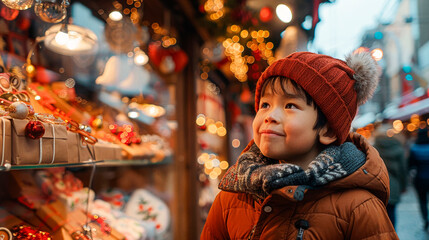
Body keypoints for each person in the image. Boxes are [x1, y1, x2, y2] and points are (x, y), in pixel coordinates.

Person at [201, 51, 398, 239]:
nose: (270, 116)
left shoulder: (358, 208)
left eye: (290, 106)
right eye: (265, 105)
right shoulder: (232, 197)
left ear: (327, 130)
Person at [373, 124, 407, 229]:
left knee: (379, 215)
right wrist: (403, 186)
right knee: (392, 213)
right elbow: (403, 170)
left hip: (377, 185)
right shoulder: (398, 148)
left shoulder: (373, 148)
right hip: (394, 185)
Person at [409, 127, 429, 230]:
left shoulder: (414, 148)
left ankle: (425, 219)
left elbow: (411, 165)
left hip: (420, 179)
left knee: (422, 201)